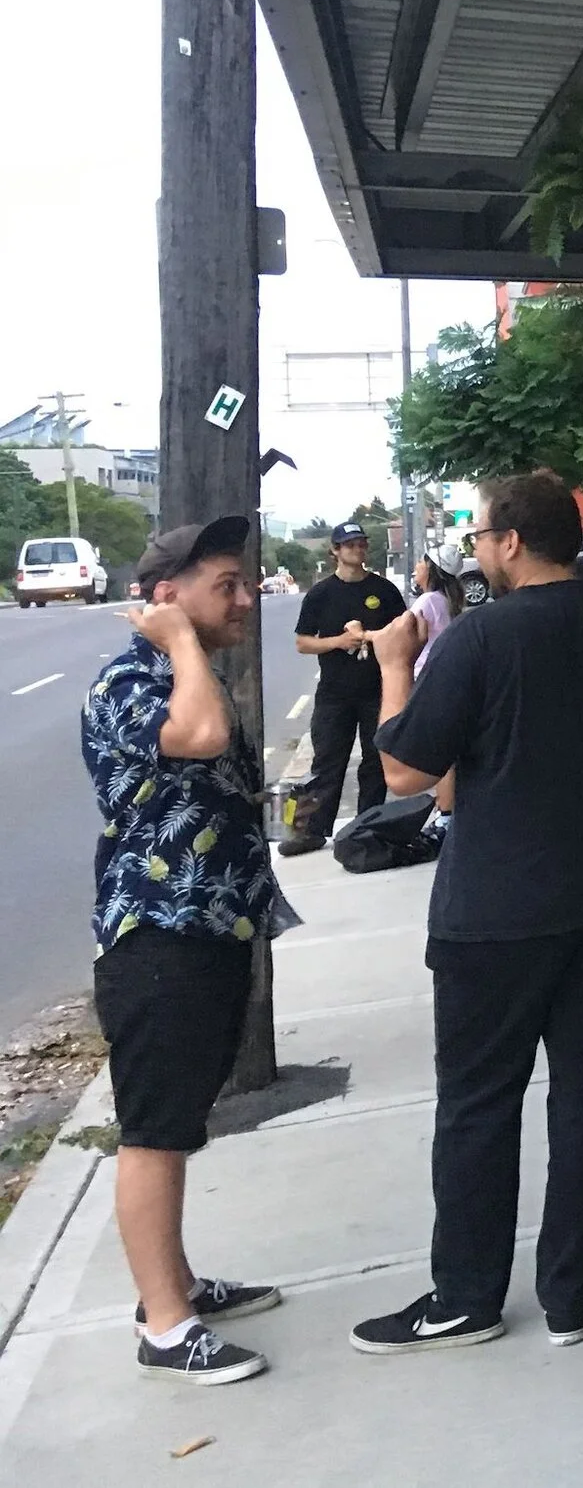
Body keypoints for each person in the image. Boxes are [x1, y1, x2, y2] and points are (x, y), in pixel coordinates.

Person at [356, 472, 583, 1353]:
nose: (476, 550)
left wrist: (394, 665)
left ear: (511, 541)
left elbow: (404, 771)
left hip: (494, 912)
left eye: (480, 536)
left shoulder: (478, 638)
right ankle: (568, 1288)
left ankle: (467, 1295)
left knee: (479, 1103)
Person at [85, 515, 292, 1385]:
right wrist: (175, 638)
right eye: (226, 586)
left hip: (207, 930)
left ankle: (173, 1285)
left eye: (246, 583)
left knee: (178, 1121)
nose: (245, 599)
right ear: (168, 595)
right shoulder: (131, 681)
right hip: (157, 937)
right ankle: (165, 1326)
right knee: (155, 1131)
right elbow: (201, 737)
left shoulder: (182, 671)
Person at [279, 521, 409, 856]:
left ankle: (367, 826)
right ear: (335, 551)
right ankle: (313, 830)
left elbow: (403, 631)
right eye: (350, 545)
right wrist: (339, 642)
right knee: (327, 762)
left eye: (361, 544)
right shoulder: (321, 594)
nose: (357, 549)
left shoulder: (383, 590)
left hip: (377, 689)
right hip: (335, 693)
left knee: (375, 761)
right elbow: (302, 642)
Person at [410, 553, 465, 679]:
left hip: (422, 672)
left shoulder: (428, 600)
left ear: (430, 568)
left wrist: (367, 635)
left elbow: (402, 633)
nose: (416, 566)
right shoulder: (445, 599)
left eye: (420, 561)